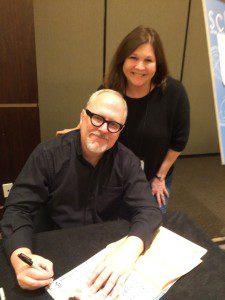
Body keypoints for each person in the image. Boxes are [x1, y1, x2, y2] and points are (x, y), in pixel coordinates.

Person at [1, 89, 162, 299]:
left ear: (120, 130)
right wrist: (21, 259)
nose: (103, 129)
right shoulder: (47, 154)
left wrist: (128, 251)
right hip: (54, 251)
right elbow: (18, 210)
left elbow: (149, 210)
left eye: (113, 124)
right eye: (97, 118)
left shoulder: (127, 161)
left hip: (106, 251)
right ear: (83, 116)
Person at [57, 26, 190, 214]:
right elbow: (92, 118)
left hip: (154, 175)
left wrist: (160, 177)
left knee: (150, 228)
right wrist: (78, 129)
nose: (140, 67)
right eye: (133, 58)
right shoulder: (109, 88)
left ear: (157, 63)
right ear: (123, 59)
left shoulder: (174, 93)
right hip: (113, 176)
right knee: (111, 227)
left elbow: (179, 141)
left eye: (148, 60)